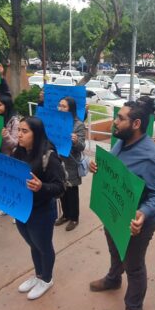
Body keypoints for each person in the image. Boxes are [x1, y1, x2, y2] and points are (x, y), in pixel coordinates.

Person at [88, 100, 155, 310]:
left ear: (136, 123)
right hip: (114, 213)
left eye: (120, 118)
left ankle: (134, 308)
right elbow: (116, 169)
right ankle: (113, 280)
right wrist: (99, 167)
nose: (115, 121)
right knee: (115, 251)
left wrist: (143, 213)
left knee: (134, 266)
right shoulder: (121, 142)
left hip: (137, 224)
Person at [13, 117, 66, 300]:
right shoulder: (18, 152)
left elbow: (60, 187)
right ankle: (38, 275)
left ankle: (47, 279)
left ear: (37, 134)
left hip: (41, 212)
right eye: (19, 130)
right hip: (21, 209)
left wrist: (41, 187)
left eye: (25, 131)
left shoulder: (48, 157)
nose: (19, 134)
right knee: (33, 245)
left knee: (43, 246)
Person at [54, 96, 87, 231]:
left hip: (71, 163)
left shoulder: (78, 124)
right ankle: (65, 215)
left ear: (71, 109)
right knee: (62, 190)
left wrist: (75, 141)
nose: (60, 108)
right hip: (58, 161)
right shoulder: (56, 122)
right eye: (59, 105)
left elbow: (82, 146)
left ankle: (74, 218)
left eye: (64, 106)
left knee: (72, 191)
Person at [0, 93, 20, 219]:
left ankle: (16, 211)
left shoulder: (14, 122)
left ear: (7, 106)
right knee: (2, 185)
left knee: (13, 186)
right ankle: (5, 208)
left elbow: (15, 144)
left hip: (10, 158)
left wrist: (6, 136)